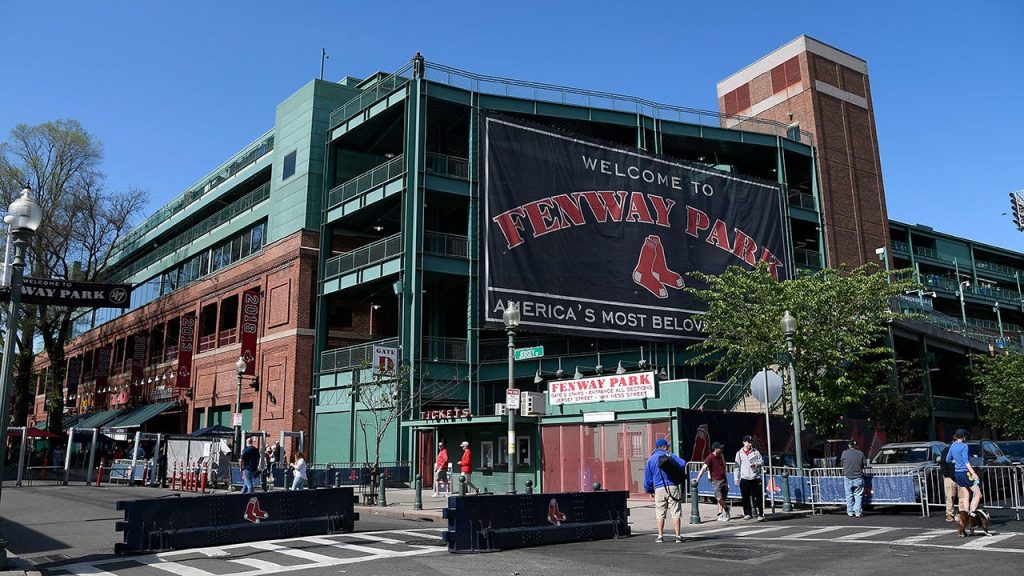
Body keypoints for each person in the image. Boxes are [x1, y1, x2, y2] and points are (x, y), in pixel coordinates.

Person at [643, 438, 686, 542]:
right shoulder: (668, 455)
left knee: (660, 512)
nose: (668, 448)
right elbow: (683, 463)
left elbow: (648, 479)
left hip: (658, 488)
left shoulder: (650, 460)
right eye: (667, 446)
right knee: (675, 512)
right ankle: (678, 536)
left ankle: (660, 536)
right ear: (663, 447)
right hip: (672, 486)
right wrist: (671, 456)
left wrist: (650, 491)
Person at [946, 429, 986, 519]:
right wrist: (973, 473)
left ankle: (966, 515)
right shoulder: (964, 446)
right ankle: (972, 513)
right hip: (965, 472)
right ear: (964, 437)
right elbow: (966, 461)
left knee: (966, 494)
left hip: (957, 473)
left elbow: (948, 459)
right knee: (978, 494)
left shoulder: (952, 446)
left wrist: (956, 461)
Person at [696, 442, 730, 521]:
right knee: (718, 497)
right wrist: (698, 478)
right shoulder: (710, 457)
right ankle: (726, 508)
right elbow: (703, 468)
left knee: (722, 498)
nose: (721, 449)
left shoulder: (721, 456)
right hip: (716, 480)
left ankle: (720, 514)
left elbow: (724, 466)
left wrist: (723, 459)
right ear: (715, 449)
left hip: (723, 479)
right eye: (720, 448)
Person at [734, 435, 764, 520]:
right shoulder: (739, 453)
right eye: (748, 442)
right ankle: (747, 513)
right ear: (744, 442)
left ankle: (760, 514)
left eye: (751, 442)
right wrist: (736, 478)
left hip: (755, 477)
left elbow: (762, 461)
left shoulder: (755, 452)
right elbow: (737, 467)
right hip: (745, 478)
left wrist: (756, 464)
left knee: (758, 497)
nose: (750, 444)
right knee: (745, 497)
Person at [840, 439, 866, 517]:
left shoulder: (844, 453)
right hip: (858, 477)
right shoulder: (860, 453)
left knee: (849, 495)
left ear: (849, 445)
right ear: (856, 446)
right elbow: (864, 465)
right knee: (858, 495)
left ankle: (850, 512)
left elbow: (841, 463)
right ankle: (858, 512)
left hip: (847, 476)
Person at [938, 440, 958, 522]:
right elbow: (942, 463)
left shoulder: (962, 449)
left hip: (960, 476)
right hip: (949, 477)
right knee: (950, 496)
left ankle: (963, 513)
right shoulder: (946, 450)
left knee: (962, 496)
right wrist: (946, 474)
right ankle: (949, 514)